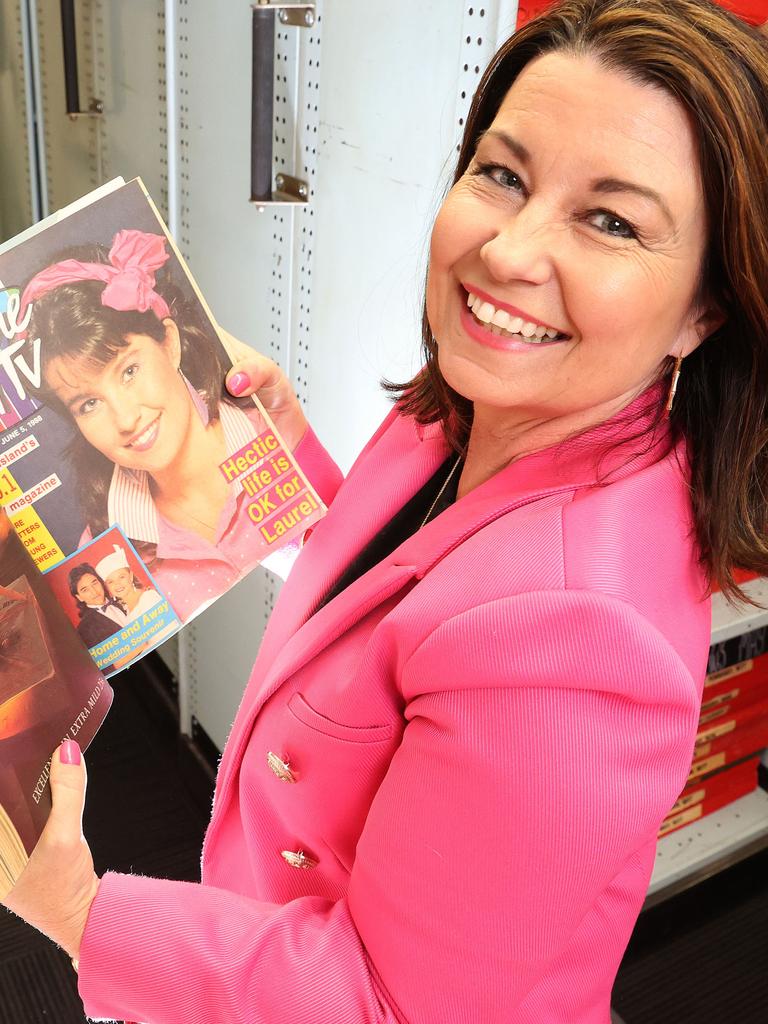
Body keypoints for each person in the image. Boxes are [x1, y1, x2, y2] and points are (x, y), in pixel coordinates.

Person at [4, 1, 768, 1020]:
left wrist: (78, 910)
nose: (509, 249)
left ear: (704, 309)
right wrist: (282, 461)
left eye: (612, 220)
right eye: (503, 174)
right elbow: (408, 584)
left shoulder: (583, 640)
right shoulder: (479, 406)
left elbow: (388, 1004)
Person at [21, 229, 296, 624]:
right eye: (89, 403)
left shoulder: (273, 434)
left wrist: (296, 430)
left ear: (170, 343)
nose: (126, 419)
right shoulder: (102, 549)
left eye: (129, 370)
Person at [67, 563, 128, 647]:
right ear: (79, 597)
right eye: (85, 590)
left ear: (101, 582)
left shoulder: (123, 599)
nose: (94, 592)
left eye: (95, 583)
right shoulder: (84, 629)